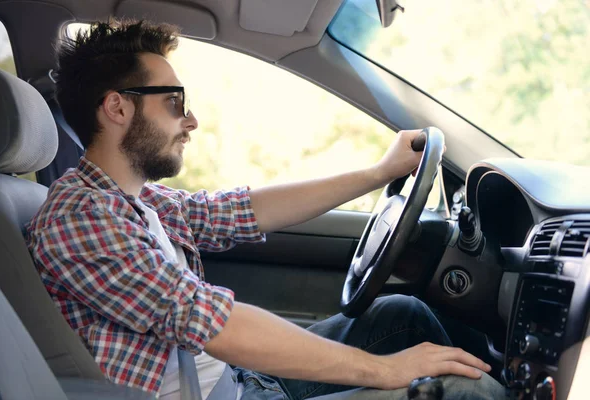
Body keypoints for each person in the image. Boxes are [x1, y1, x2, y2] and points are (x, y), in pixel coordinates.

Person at [25, 19, 507, 400]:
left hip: (239, 381)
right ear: (117, 108)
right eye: (175, 102)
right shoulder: (81, 217)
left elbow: (239, 211)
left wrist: (377, 173)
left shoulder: (135, 200)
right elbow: (210, 319)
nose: (191, 120)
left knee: (402, 315)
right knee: (465, 391)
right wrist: (386, 371)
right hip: (224, 393)